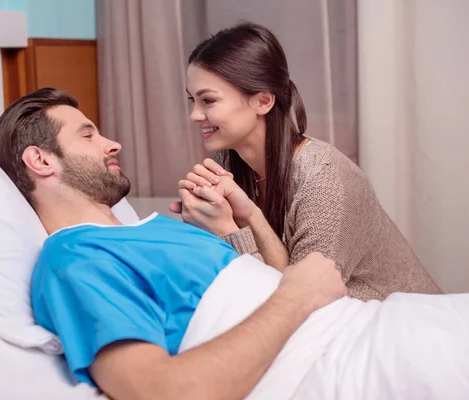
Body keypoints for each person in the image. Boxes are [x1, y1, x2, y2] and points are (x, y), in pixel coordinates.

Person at [0, 88, 469, 400]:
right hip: (353, 365)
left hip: (382, 327)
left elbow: (285, 284)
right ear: (40, 161)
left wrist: (240, 224)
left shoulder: (158, 229)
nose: (112, 142)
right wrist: (297, 296)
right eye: (88, 135)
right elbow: (160, 391)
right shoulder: (75, 258)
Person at [170, 22, 441, 301]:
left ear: (263, 101)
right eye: (192, 100)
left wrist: (227, 230)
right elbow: (286, 275)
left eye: (208, 101)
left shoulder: (322, 178)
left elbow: (304, 302)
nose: (194, 115)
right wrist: (247, 215)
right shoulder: (229, 160)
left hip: (395, 322)